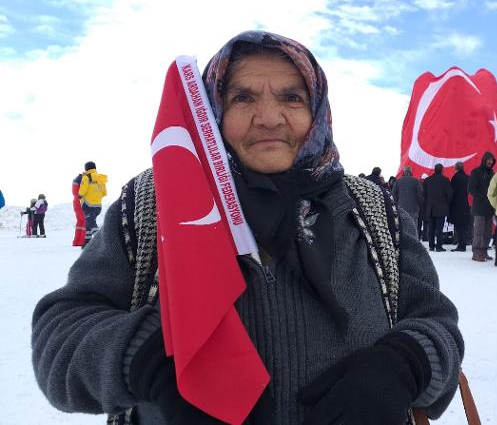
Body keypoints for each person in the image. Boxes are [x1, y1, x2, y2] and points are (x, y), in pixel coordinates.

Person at [32, 31, 464, 424]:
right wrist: (148, 358)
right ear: (212, 110)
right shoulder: (157, 200)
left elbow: (437, 322)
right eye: (243, 98)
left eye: (292, 98)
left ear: (317, 111)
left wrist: (402, 364)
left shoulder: (371, 208)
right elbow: (60, 335)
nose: (269, 117)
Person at [468, 152, 496, 262]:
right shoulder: (476, 172)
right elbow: (470, 189)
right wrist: (482, 197)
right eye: (488, 159)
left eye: (492, 160)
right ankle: (476, 252)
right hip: (479, 207)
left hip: (490, 207)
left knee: (488, 232)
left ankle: (484, 251)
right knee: (478, 231)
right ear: (484, 160)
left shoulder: (493, 173)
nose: (490, 162)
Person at [424, 163, 452, 252]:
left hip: (431, 208)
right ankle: (439, 246)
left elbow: (424, 194)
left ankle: (431, 246)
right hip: (441, 207)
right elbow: (450, 194)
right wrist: (447, 203)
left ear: (434, 169)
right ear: (442, 170)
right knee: (439, 229)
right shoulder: (445, 180)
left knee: (431, 228)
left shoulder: (427, 180)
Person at [79, 161, 108, 246]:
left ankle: (99, 240)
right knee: (89, 222)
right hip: (98, 205)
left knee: (91, 222)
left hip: (88, 204)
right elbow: (104, 193)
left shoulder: (86, 177)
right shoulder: (100, 178)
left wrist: (79, 195)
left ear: (86, 168)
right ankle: (87, 242)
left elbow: (83, 190)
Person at [392, 166, 424, 234]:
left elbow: (393, 195)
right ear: (410, 171)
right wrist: (420, 206)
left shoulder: (398, 181)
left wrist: (397, 205)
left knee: (403, 227)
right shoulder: (416, 181)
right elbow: (420, 195)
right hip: (414, 208)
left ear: (404, 171)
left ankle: (404, 242)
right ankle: (414, 242)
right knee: (414, 227)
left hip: (401, 208)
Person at [448, 162, 470, 252]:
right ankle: (463, 243)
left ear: (455, 168)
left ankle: (461, 245)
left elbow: (452, 191)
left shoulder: (455, 178)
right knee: (463, 225)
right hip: (465, 203)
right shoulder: (468, 178)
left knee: (459, 226)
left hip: (457, 204)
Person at [72, 173, 87, 247]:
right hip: (80, 203)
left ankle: (76, 241)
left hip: (76, 203)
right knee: (85, 221)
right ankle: (82, 241)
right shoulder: (82, 180)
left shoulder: (76, 180)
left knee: (80, 223)